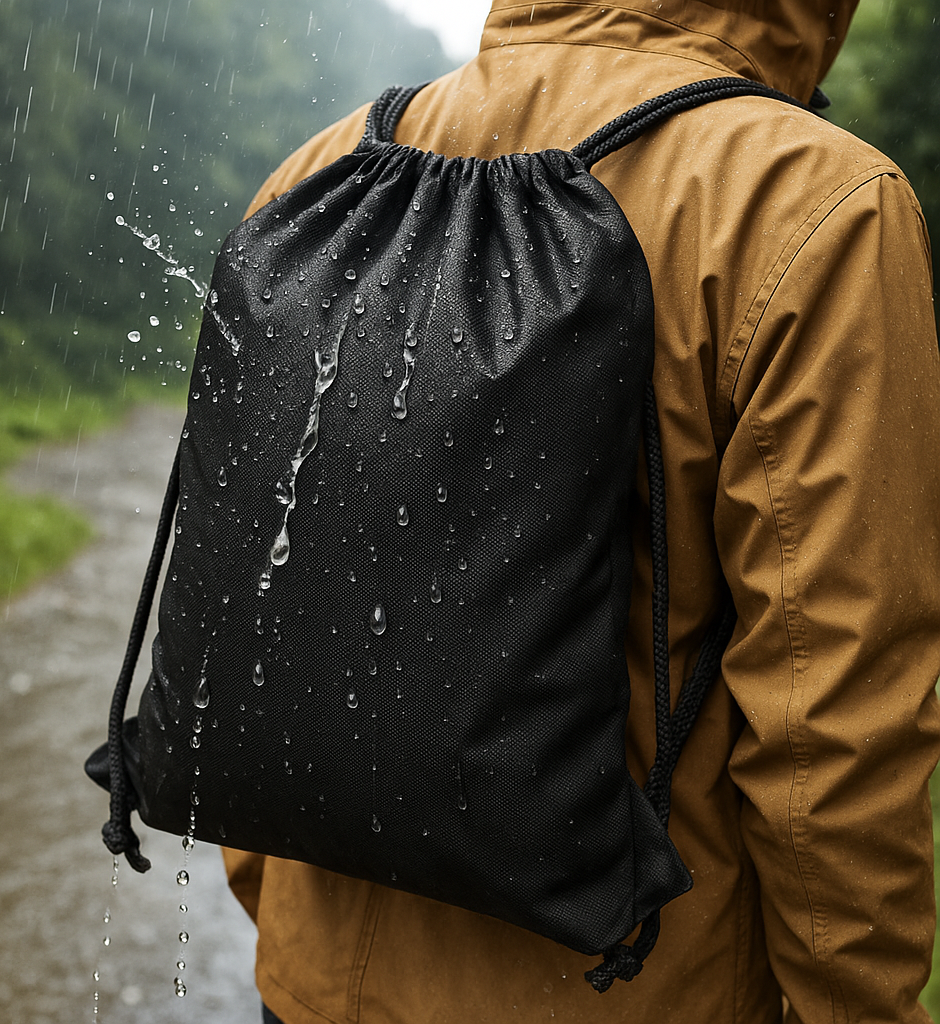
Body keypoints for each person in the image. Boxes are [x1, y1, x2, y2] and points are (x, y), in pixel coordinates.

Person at [221, 1, 940, 1020]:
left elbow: (254, 619)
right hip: (633, 991)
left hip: (307, 991)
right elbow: (836, 717)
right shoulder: (815, 204)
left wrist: (295, 926)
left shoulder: (327, 168)